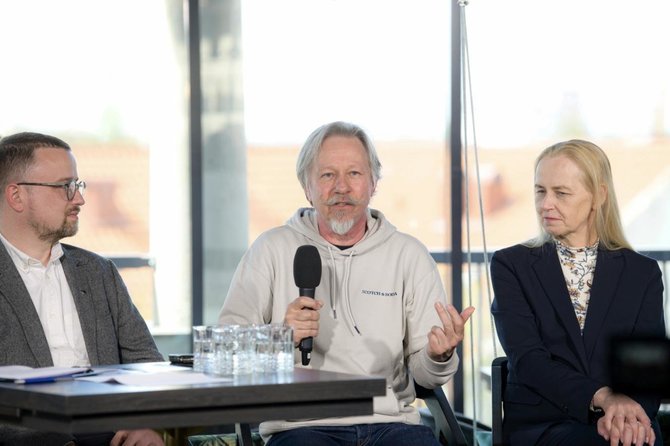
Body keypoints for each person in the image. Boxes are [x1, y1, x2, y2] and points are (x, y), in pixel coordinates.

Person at [219, 121, 475, 445]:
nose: (341, 187)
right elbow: (226, 355)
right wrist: (280, 337)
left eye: (354, 174)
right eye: (327, 175)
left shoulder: (408, 255)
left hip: (391, 425)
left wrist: (439, 357)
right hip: (300, 428)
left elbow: (426, 376)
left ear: (373, 183)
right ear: (307, 187)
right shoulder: (270, 249)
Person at [491, 139, 665, 446]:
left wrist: (630, 419)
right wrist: (603, 397)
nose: (546, 204)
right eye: (540, 191)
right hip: (542, 426)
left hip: (625, 427)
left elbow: (647, 372)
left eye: (561, 193)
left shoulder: (643, 273)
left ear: (599, 196)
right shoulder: (511, 265)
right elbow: (529, 360)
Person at [0, 132, 166, 446]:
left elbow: (147, 363)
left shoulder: (99, 272)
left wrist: (146, 425)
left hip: (110, 434)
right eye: (65, 186)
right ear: (16, 196)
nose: (79, 198)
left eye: (78, 185)